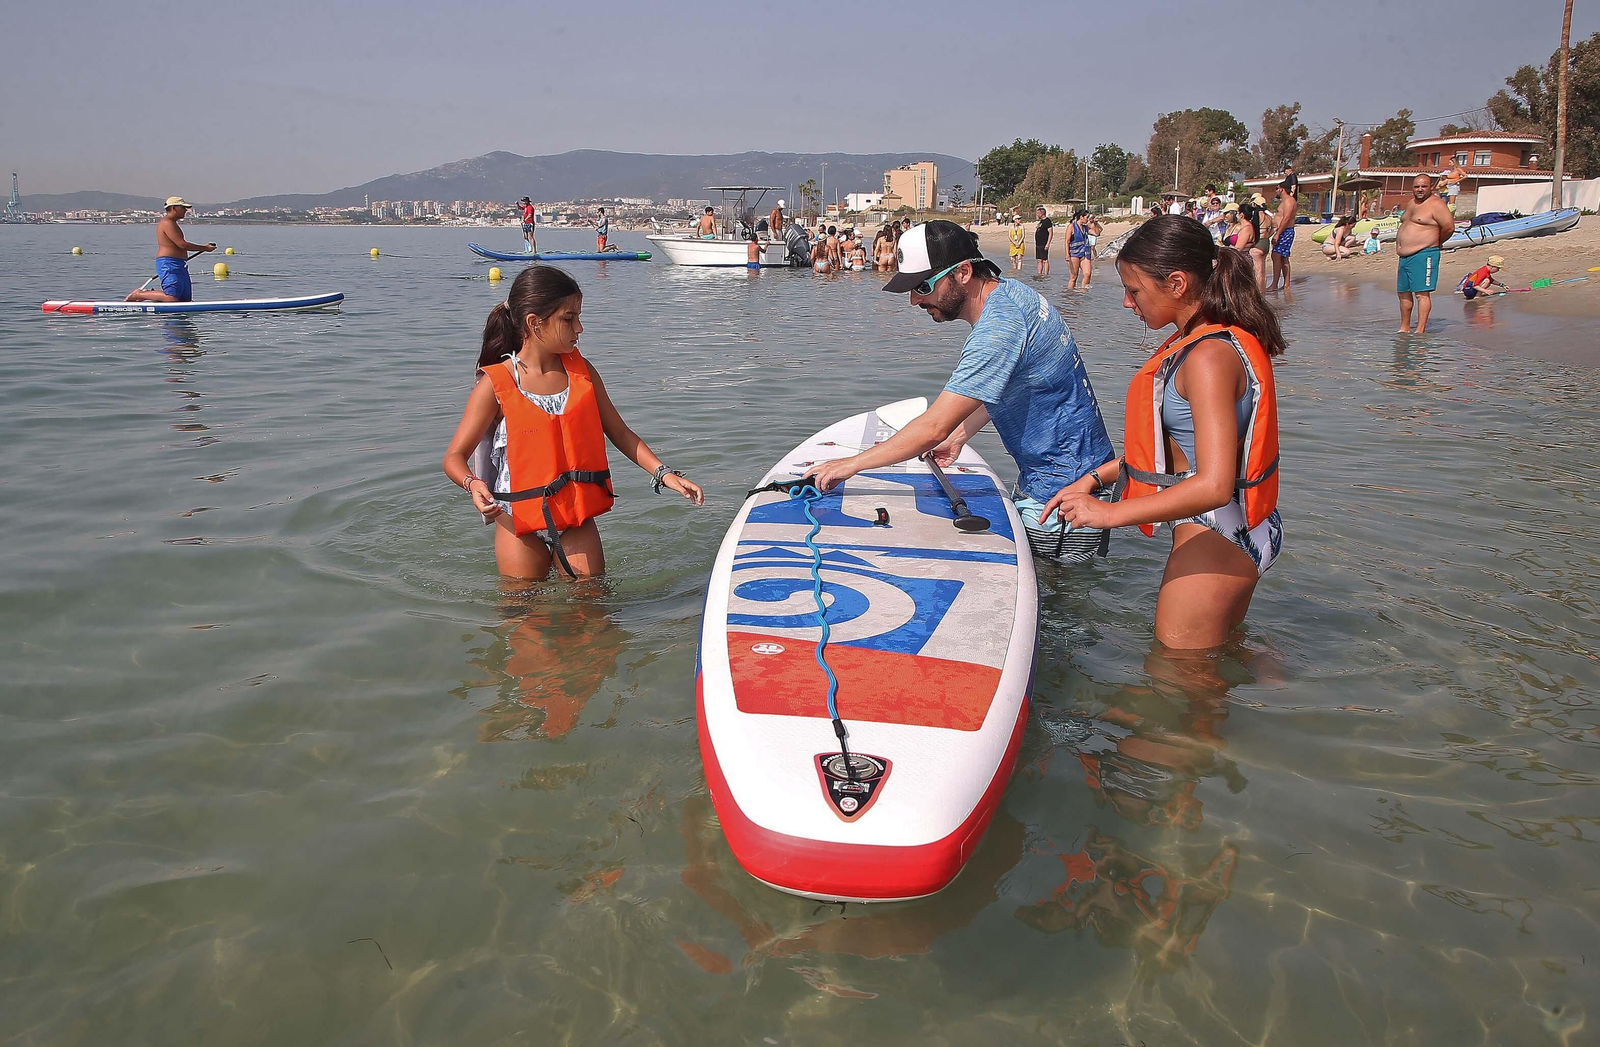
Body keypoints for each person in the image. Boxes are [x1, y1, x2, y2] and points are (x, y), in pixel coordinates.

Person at [1039, 215, 1284, 649]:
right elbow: (1180, 451)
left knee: (1177, 685)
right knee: (1218, 663)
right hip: (1243, 527)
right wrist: (1095, 479)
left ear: (1176, 283)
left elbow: (1212, 484)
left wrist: (1109, 514)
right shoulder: (1207, 340)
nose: (1128, 303)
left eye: (1134, 291)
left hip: (1217, 532)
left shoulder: (1207, 357)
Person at [809, 220, 1116, 565]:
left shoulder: (998, 330)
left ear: (965, 272)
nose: (914, 300)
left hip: (1063, 502)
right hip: (1071, 481)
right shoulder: (1015, 294)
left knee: (1059, 606)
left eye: (923, 286)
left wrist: (850, 465)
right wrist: (960, 435)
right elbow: (1017, 382)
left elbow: (932, 428)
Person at [442, 266, 703, 580]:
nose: (579, 328)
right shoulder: (496, 384)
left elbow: (619, 431)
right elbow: (454, 457)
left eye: (578, 317)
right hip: (517, 523)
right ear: (534, 323)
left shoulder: (582, 372)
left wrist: (665, 474)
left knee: (593, 612)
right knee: (525, 620)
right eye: (569, 319)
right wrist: (473, 484)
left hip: (575, 520)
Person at [124, 197, 215, 303]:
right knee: (171, 298)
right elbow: (182, 244)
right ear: (174, 208)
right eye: (183, 208)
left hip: (180, 264)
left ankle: (154, 297)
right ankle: (139, 294)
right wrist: (205, 248)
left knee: (185, 300)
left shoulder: (173, 223)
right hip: (168, 264)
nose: (186, 210)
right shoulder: (167, 223)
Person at [1396, 173, 1456, 333]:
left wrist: (1436, 242)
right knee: (1403, 293)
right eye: (1417, 186)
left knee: (1421, 294)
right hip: (1404, 257)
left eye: (1424, 186)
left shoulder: (1436, 204)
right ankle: (1405, 328)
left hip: (1424, 253)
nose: (1420, 189)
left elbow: (1449, 227)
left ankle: (1420, 330)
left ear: (1431, 187)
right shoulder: (1411, 204)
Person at [1265, 183, 1298, 291]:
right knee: (1283, 257)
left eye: (1277, 189)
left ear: (1282, 189)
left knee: (1276, 256)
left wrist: (1278, 234)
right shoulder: (1286, 201)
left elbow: (1287, 218)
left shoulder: (1289, 201)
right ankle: (1286, 284)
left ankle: (1275, 284)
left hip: (1285, 231)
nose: (1276, 191)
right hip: (1284, 231)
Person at [1066, 208, 1095, 289]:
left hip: (1085, 254)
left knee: (1087, 274)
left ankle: (1083, 294)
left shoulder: (1086, 228)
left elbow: (1097, 233)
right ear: (1081, 217)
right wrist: (1067, 254)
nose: (1087, 219)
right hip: (1074, 254)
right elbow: (1067, 241)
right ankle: (1070, 295)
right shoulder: (1072, 226)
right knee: (1074, 277)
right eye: (1087, 217)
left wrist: (1094, 223)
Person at [1034, 205, 1054, 278]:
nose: (1037, 214)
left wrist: (1048, 244)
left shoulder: (1047, 221)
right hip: (1038, 244)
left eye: (1038, 213)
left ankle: (1046, 274)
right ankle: (1039, 274)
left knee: (1045, 260)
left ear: (1042, 213)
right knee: (1039, 260)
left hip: (1044, 243)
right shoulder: (1041, 222)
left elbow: (1051, 233)